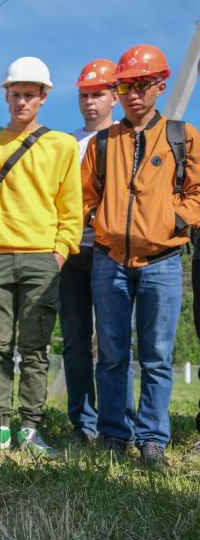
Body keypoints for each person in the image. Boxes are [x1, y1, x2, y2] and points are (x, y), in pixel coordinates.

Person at [81, 44, 200, 467]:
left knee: (156, 356)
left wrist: (173, 222)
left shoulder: (181, 137)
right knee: (111, 354)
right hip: (109, 260)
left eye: (142, 85)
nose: (133, 94)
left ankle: (152, 438)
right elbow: (85, 196)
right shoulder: (102, 142)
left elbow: (197, 193)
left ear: (160, 85)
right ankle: (114, 434)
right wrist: (102, 220)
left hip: (163, 263)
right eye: (126, 86)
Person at [0, 57, 81, 456]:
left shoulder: (62, 145)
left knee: (35, 350)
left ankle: (29, 429)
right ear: (6, 96)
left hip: (42, 259)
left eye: (30, 95)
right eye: (16, 95)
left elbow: (71, 207)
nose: (22, 102)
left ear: (44, 97)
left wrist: (60, 253)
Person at [62, 59, 120, 445]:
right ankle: (82, 423)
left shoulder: (123, 139)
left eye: (97, 94)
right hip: (71, 252)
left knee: (114, 342)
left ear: (115, 96)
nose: (90, 102)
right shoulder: (67, 143)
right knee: (75, 340)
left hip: (110, 251)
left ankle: (117, 422)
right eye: (84, 95)